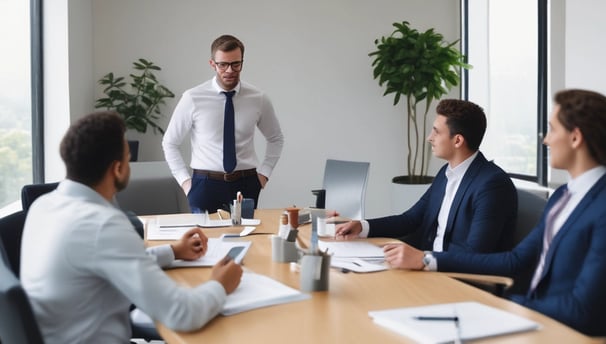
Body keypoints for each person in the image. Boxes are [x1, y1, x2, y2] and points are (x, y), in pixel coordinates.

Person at [386, 89, 606, 336]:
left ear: (575, 138)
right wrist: (427, 259)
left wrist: (507, 306)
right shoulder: (562, 196)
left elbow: (584, 311)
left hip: (563, 331)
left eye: (552, 130)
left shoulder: (601, 207)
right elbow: (515, 261)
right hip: (534, 318)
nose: (546, 140)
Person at [20, 111, 243, 343]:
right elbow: (182, 314)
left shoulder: (43, 206)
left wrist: (173, 251)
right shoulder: (102, 225)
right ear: (117, 169)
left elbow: (106, 259)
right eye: (128, 158)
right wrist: (220, 285)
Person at [336, 99, 517, 264]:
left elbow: (475, 254)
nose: (430, 137)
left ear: (457, 140)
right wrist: (362, 226)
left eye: (436, 132)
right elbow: (411, 219)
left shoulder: (492, 185)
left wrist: (424, 259)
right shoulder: (446, 173)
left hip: (458, 279)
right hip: (429, 268)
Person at [162, 34, 284, 213]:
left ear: (242, 62)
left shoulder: (258, 98)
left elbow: (276, 138)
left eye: (236, 64)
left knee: (249, 238)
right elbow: (170, 142)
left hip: (246, 183)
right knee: (205, 240)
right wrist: (186, 183)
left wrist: (263, 175)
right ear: (213, 64)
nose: (229, 70)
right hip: (204, 184)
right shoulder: (193, 97)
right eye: (223, 65)